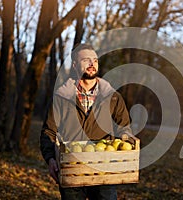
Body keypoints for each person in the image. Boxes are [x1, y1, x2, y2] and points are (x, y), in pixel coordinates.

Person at [40, 43, 132, 200]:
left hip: (103, 169)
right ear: (75, 65)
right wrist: (50, 159)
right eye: (86, 60)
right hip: (71, 169)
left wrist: (126, 143)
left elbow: (124, 128)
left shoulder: (113, 96)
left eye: (95, 60)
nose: (92, 64)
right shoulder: (61, 96)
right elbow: (49, 131)